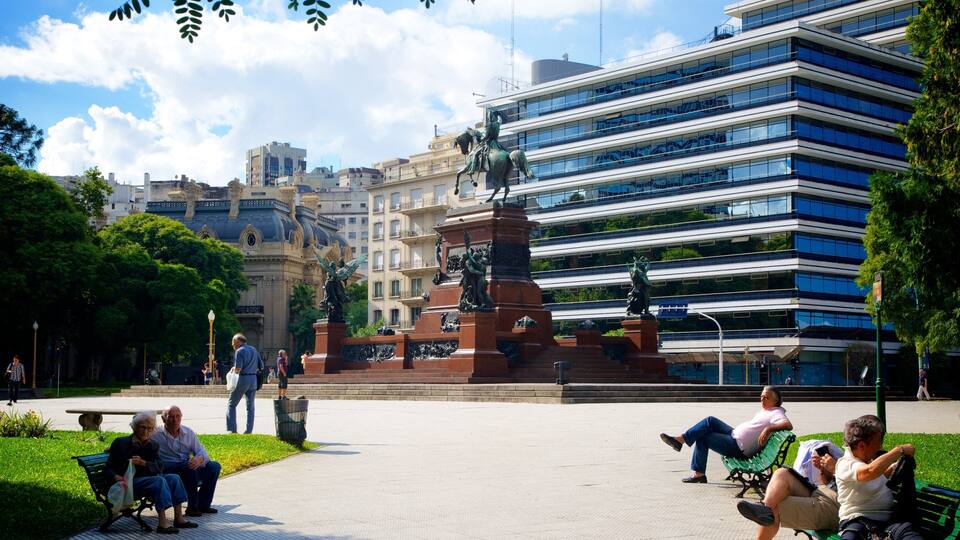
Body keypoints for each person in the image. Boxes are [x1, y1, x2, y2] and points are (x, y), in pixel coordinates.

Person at [659, 386, 792, 483]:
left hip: (738, 447)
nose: (762, 399)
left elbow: (788, 424)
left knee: (703, 437)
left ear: (775, 401)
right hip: (734, 435)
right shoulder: (767, 410)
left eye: (766, 397)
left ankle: (698, 473)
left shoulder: (776, 412)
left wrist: (768, 428)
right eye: (761, 396)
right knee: (709, 421)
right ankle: (681, 440)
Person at [105, 411, 196, 534]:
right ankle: (162, 524)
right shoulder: (121, 443)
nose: (146, 431)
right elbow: (108, 467)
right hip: (129, 483)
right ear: (134, 427)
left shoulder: (153, 445)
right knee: (159, 481)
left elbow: (160, 466)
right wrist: (115, 476)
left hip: (148, 480)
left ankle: (179, 518)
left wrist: (144, 463)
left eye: (150, 428)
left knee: (173, 478)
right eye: (143, 427)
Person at [834, 415, 922, 539]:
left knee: (909, 534)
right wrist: (899, 450)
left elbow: (877, 474)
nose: (880, 447)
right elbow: (869, 472)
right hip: (857, 521)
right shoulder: (845, 464)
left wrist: (896, 467)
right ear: (862, 446)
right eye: (877, 442)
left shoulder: (869, 461)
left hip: (889, 522)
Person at [736, 448, 841, 539]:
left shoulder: (856, 464)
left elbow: (855, 487)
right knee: (782, 473)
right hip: (822, 491)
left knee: (775, 507)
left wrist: (836, 468)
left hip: (835, 504)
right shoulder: (851, 454)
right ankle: (766, 507)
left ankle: (767, 510)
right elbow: (831, 482)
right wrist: (824, 469)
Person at [152, 406, 222, 517]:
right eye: (171, 417)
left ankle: (203, 504)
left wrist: (200, 459)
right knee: (190, 467)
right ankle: (192, 507)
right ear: (163, 419)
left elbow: (202, 452)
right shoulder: (155, 434)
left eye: (178, 416)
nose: (175, 420)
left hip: (187, 467)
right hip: (168, 468)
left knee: (214, 466)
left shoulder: (188, 432)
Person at [226, 333, 261, 434]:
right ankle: (248, 431)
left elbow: (238, 369)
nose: (232, 344)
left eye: (233, 342)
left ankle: (232, 430)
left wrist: (233, 369)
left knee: (231, 404)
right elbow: (261, 366)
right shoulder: (254, 349)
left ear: (238, 342)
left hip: (243, 379)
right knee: (250, 407)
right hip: (253, 380)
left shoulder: (239, 351)